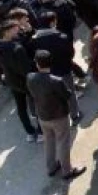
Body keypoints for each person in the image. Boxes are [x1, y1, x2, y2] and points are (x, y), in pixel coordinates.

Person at [27, 50, 86, 180]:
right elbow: (67, 95)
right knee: (63, 142)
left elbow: (31, 95)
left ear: (37, 64)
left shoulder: (30, 77)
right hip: (59, 116)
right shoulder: (56, 80)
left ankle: (51, 167)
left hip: (42, 116)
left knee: (48, 141)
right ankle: (67, 170)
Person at [0, 20, 40, 140]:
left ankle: (29, 132)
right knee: (37, 104)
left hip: (12, 81)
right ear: (7, 32)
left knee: (21, 108)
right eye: (15, 28)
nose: (18, 30)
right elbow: (26, 68)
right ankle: (40, 132)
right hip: (25, 81)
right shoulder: (17, 49)